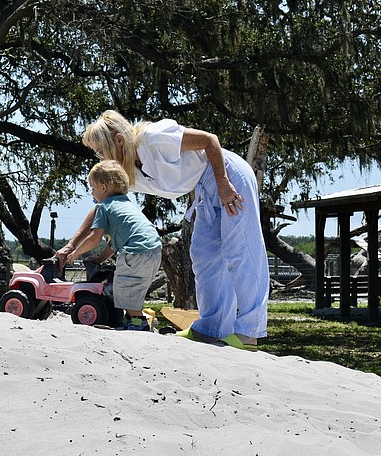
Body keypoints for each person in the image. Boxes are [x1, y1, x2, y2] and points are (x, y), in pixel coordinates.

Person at [56, 110, 267, 349]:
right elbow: (101, 208)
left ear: (118, 140)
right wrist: (70, 246)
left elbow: (210, 140)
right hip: (204, 190)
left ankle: (250, 332)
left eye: (100, 151)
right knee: (204, 256)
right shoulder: (126, 173)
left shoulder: (153, 138)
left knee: (241, 251)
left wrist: (223, 184)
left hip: (228, 176)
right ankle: (211, 328)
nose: (99, 158)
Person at [65, 160, 162, 331]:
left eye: (92, 188)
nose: (92, 193)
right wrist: (100, 258)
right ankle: (134, 319)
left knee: (125, 288)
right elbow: (113, 245)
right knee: (134, 287)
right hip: (154, 249)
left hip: (135, 251)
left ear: (103, 187)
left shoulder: (103, 207)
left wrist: (75, 253)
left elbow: (94, 237)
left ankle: (137, 323)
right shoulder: (125, 204)